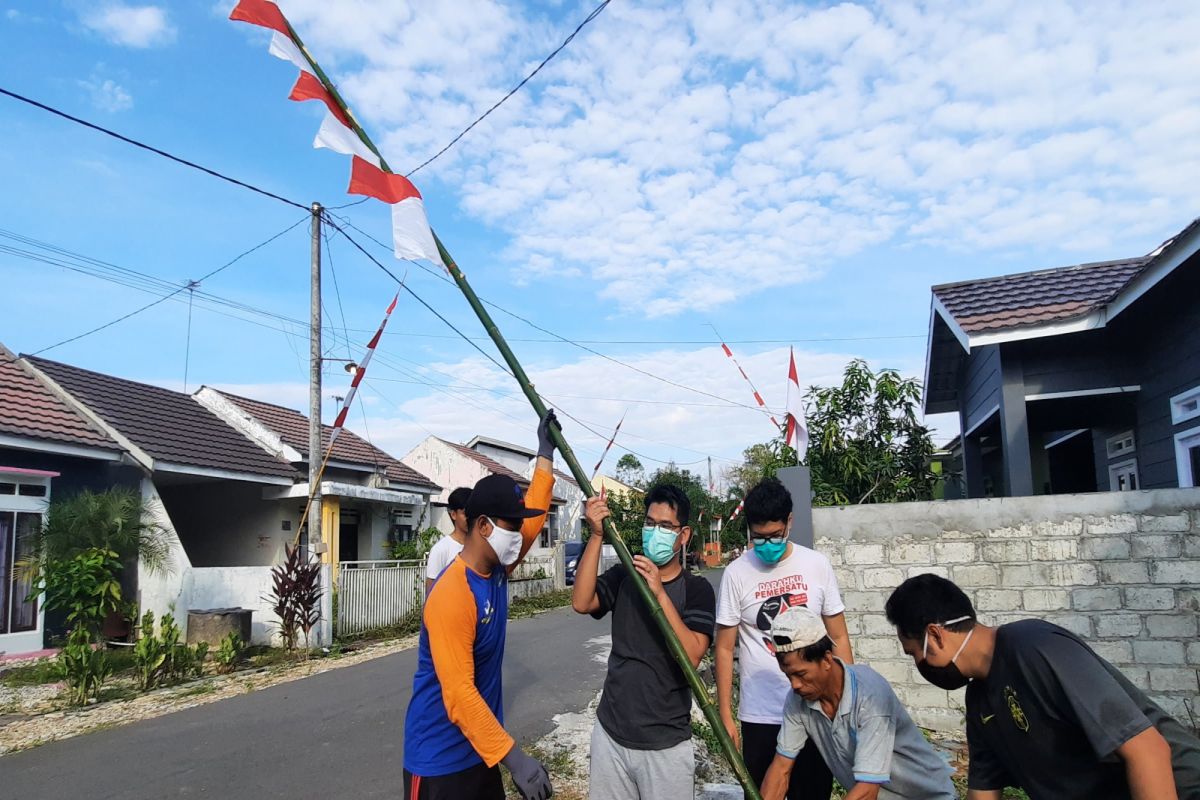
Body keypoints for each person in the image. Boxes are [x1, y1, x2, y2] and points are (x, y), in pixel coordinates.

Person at [885, 573, 1200, 800]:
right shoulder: (980, 701)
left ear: (936, 635)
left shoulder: (1034, 647)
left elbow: (1148, 750)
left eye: (914, 653)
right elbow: (984, 792)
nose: (919, 664)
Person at [402, 412, 559, 800]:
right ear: (484, 526)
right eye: (511, 525)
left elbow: (535, 517)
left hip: (481, 751)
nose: (519, 534)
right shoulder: (452, 594)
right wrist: (516, 759)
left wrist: (544, 452)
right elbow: (458, 694)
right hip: (439, 763)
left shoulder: (498, 569)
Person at [571, 483, 716, 799]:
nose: (655, 531)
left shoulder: (697, 590)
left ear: (684, 534)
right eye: (650, 523)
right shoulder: (626, 574)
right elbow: (582, 602)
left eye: (665, 526)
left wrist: (660, 594)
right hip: (611, 732)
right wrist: (596, 535)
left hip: (666, 743)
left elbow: (692, 655)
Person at [715, 477, 853, 798]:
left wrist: (846, 701)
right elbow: (724, 648)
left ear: (790, 522)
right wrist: (726, 715)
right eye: (758, 538)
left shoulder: (816, 565)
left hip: (815, 711)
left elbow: (839, 636)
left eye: (775, 535)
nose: (767, 544)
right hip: (760, 714)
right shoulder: (736, 573)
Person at [760, 605, 956, 800]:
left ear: (827, 660)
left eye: (801, 674)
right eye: (788, 676)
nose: (794, 685)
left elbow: (866, 792)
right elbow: (781, 769)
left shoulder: (870, 695)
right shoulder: (798, 700)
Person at [426, 486, 471, 594]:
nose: (470, 518)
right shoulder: (441, 549)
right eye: (465, 513)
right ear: (454, 514)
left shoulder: (480, 548)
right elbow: (431, 590)